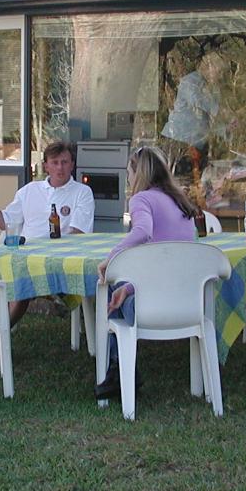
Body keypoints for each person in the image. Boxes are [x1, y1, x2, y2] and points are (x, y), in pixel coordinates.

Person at [0, 140, 94, 365]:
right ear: (46, 166)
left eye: (65, 162)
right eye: (55, 163)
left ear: (72, 164)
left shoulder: (82, 192)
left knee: (22, 284)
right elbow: (4, 221)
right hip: (21, 256)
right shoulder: (29, 191)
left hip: (57, 263)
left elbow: (77, 235)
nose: (60, 168)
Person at [93, 145, 201, 399]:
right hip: (188, 304)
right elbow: (167, 265)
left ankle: (118, 370)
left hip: (150, 308)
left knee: (105, 287)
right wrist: (128, 288)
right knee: (120, 290)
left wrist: (111, 258)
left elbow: (142, 231)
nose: (128, 178)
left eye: (129, 172)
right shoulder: (180, 201)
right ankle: (120, 371)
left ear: (138, 173)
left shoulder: (141, 199)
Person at [160, 52, 223, 201]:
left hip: (196, 141)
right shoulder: (191, 82)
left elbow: (210, 119)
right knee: (179, 185)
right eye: (219, 71)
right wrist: (222, 113)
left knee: (197, 184)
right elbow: (204, 105)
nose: (220, 75)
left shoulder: (210, 86)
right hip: (179, 140)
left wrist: (224, 127)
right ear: (209, 66)